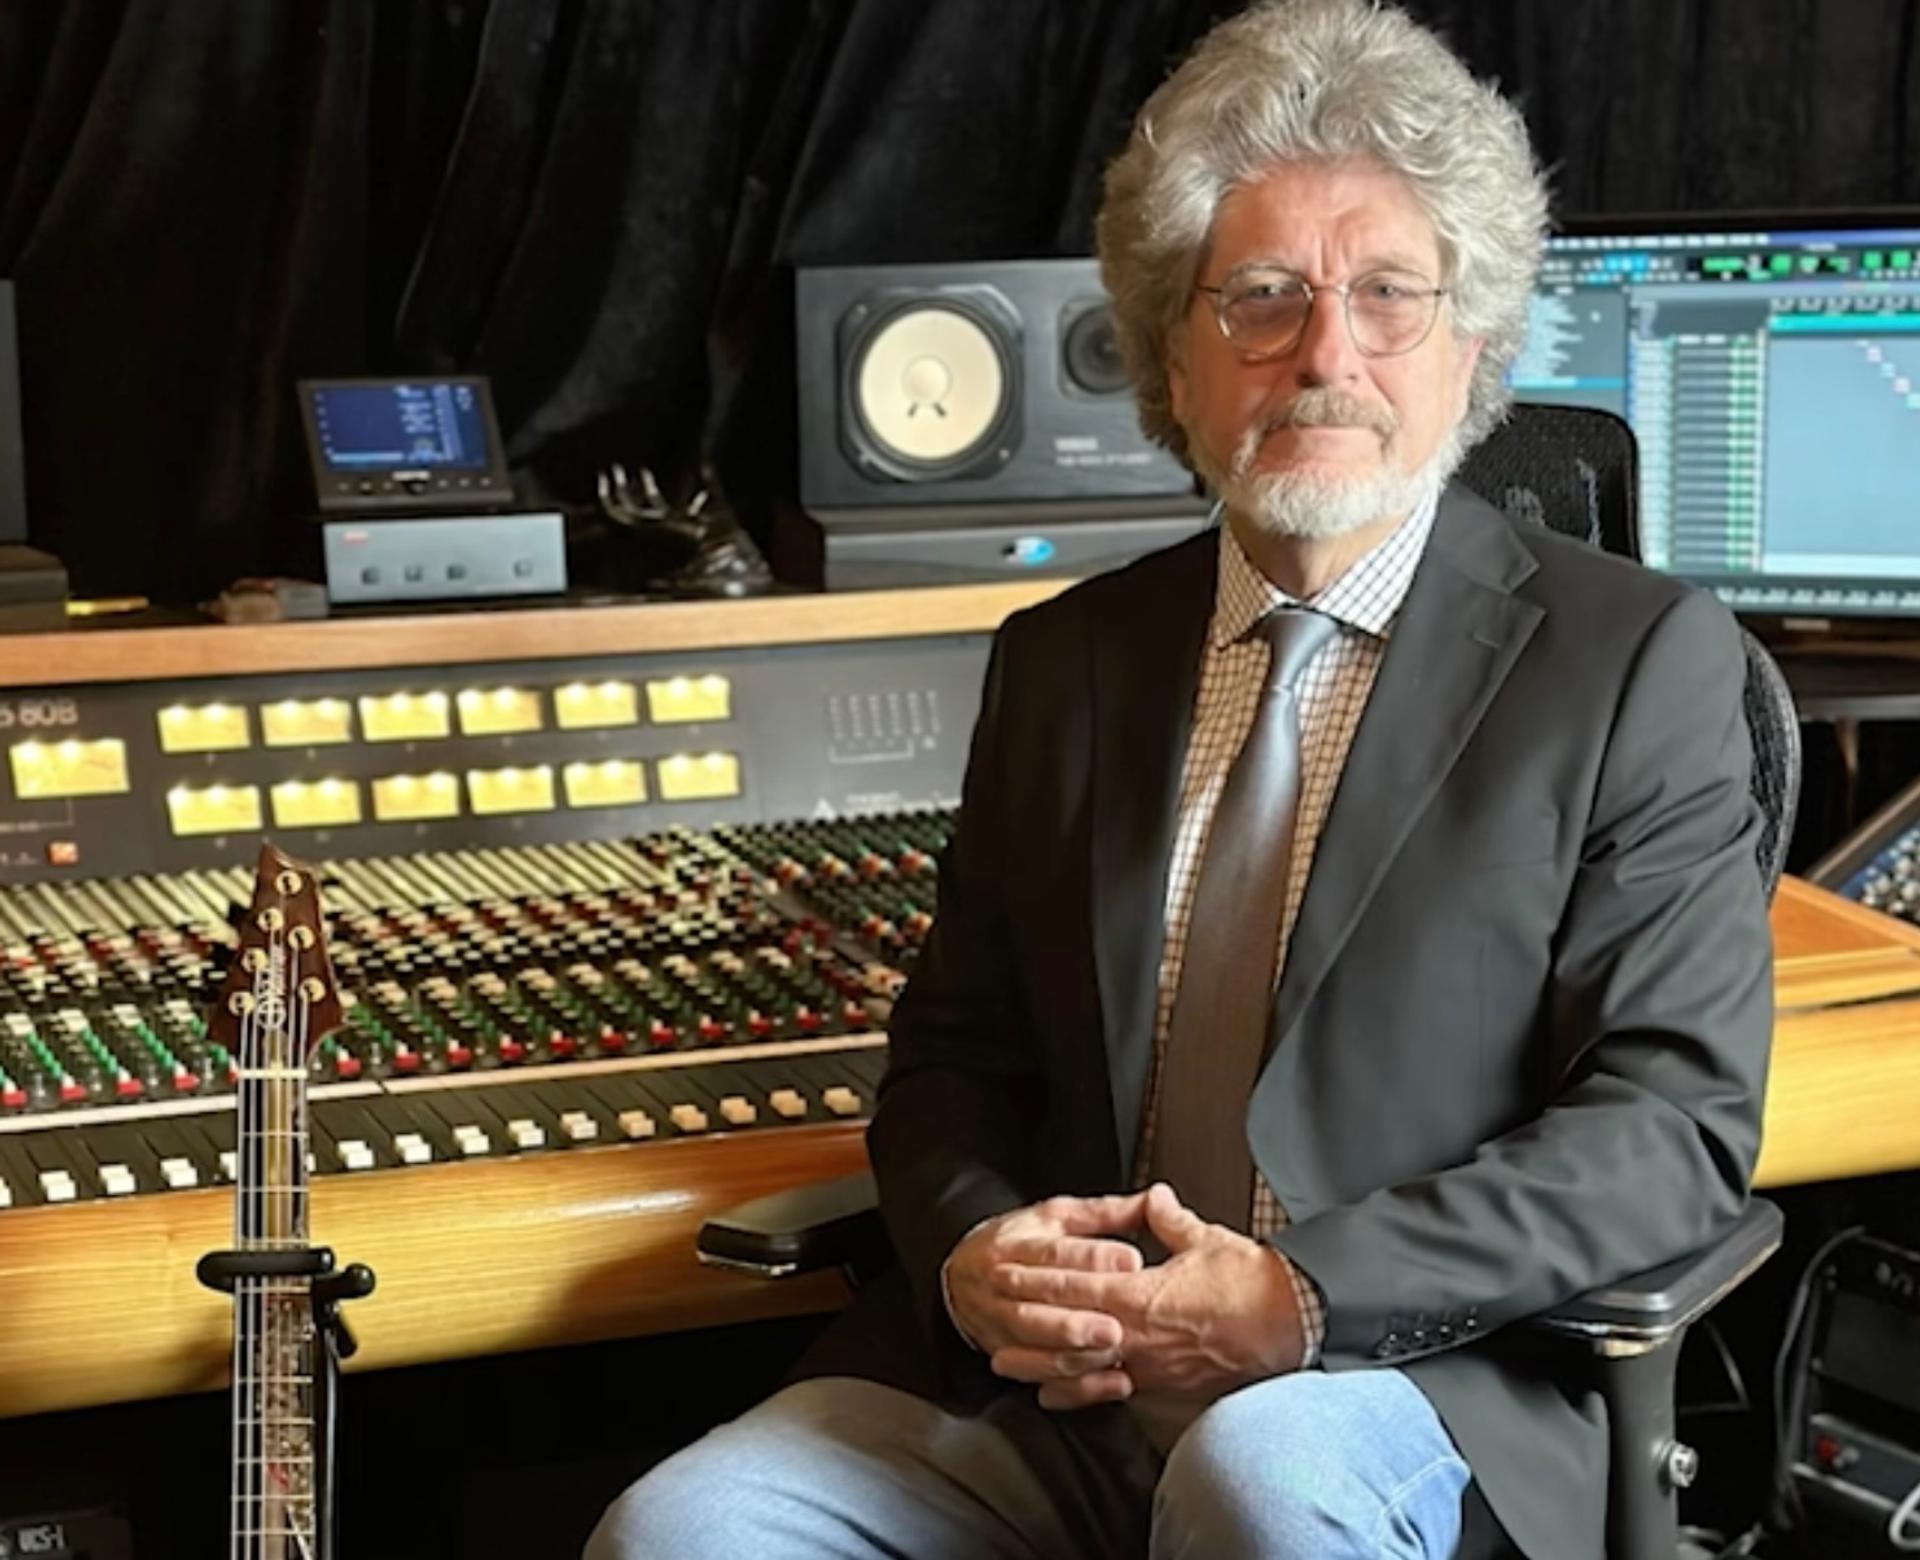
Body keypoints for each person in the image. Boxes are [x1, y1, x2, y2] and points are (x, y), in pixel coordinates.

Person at [586, 1, 1771, 1555]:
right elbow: (952, 1066)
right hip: (1051, 1395)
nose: (1326, 355)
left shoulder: (1642, 663)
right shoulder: (1063, 661)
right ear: (1175, 354)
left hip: (1412, 1381)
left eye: (1389, 296)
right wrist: (968, 1255)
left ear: (1471, 341)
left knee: (1257, 1481)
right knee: (684, 1531)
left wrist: (1303, 1296)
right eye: (1263, 297)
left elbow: (1670, 1124)